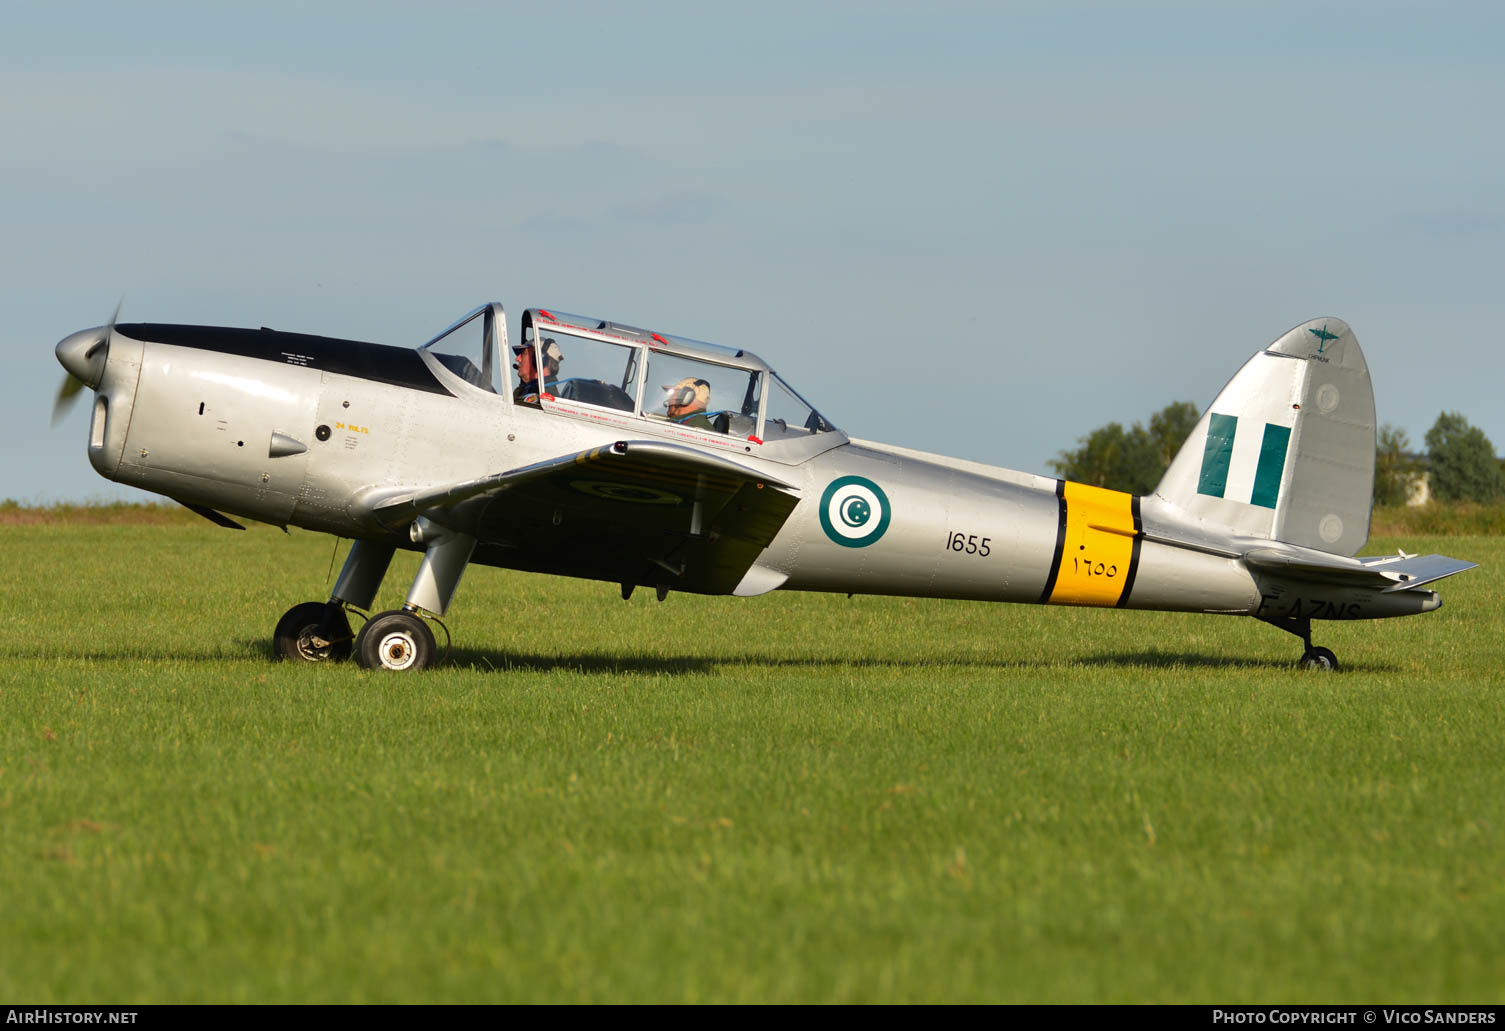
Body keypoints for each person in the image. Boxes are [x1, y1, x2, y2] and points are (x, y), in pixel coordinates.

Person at [513, 337, 563, 402]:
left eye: (524, 354)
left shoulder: (545, 398)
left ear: (539, 360)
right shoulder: (524, 391)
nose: (517, 359)